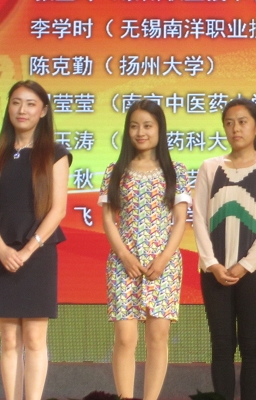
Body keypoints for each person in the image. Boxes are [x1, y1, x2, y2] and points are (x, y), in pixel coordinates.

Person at [98, 99, 191, 400]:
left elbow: (180, 220)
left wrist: (164, 258)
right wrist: (124, 255)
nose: (141, 132)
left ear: (160, 129)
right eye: (134, 126)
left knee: (157, 337)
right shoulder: (115, 171)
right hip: (123, 262)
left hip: (163, 264)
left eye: (148, 126)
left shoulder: (176, 171)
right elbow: (108, 219)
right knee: (125, 338)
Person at [192, 98, 256, 400]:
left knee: (252, 345)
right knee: (221, 345)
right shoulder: (210, 167)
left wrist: (246, 264)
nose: (235, 129)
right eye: (229, 123)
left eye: (242, 122)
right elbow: (199, 218)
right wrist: (211, 263)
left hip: (255, 271)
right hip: (214, 271)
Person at [0, 80, 72, 400]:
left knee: (35, 339)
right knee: (9, 339)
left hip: (37, 253)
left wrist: (27, 250)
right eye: (16, 102)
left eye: (30, 104)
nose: (22, 110)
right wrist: (1, 249)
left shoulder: (55, 154)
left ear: (43, 111)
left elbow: (58, 209)